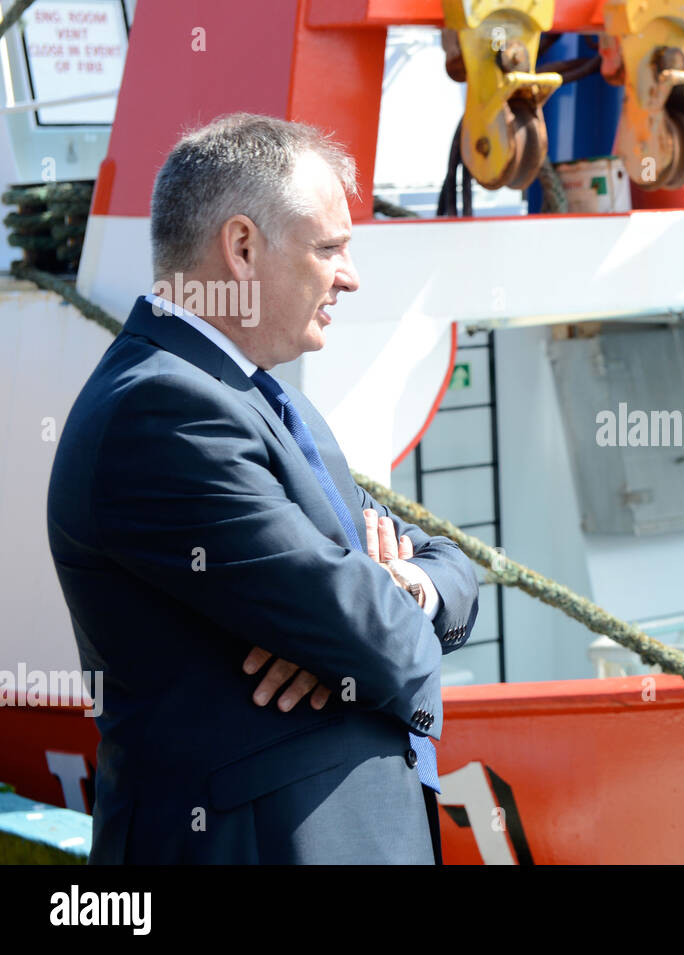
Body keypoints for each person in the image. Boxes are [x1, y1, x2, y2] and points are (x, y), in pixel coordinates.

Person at [46, 113, 478, 864]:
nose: (348, 275)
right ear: (242, 248)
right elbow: (375, 639)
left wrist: (395, 584)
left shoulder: (260, 399)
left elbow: (448, 572)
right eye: (329, 248)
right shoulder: (163, 414)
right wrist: (358, 615)